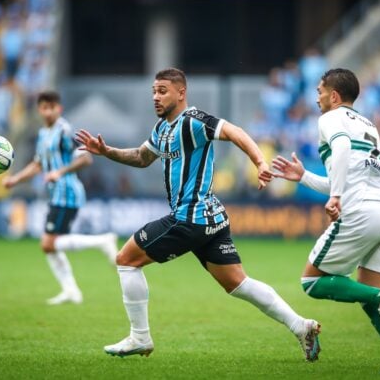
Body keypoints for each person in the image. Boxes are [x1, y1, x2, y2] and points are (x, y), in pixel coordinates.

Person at [75, 68, 321, 360]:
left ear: (181, 93)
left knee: (126, 260)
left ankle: (139, 337)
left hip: (189, 217)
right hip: (211, 218)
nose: (156, 96)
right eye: (154, 91)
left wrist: (259, 161)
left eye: (163, 90)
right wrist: (107, 151)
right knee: (238, 283)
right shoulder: (163, 128)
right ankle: (301, 326)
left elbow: (234, 131)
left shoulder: (193, 120)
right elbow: (142, 158)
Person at [271, 68, 380, 374]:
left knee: (312, 282)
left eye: (319, 92)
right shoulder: (368, 125)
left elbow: (341, 150)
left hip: (360, 211)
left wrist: (336, 196)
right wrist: (304, 177)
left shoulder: (329, 119)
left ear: (334, 96)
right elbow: (348, 171)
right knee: (370, 299)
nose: (317, 98)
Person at [3, 90, 118, 305]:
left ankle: (102, 241)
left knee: (48, 244)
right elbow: (38, 164)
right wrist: (15, 179)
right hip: (57, 194)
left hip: (68, 192)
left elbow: (86, 159)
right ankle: (71, 291)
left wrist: (59, 172)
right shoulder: (43, 134)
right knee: (50, 245)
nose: (47, 111)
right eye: (44, 107)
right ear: (39, 109)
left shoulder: (64, 130)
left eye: (51, 107)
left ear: (59, 108)